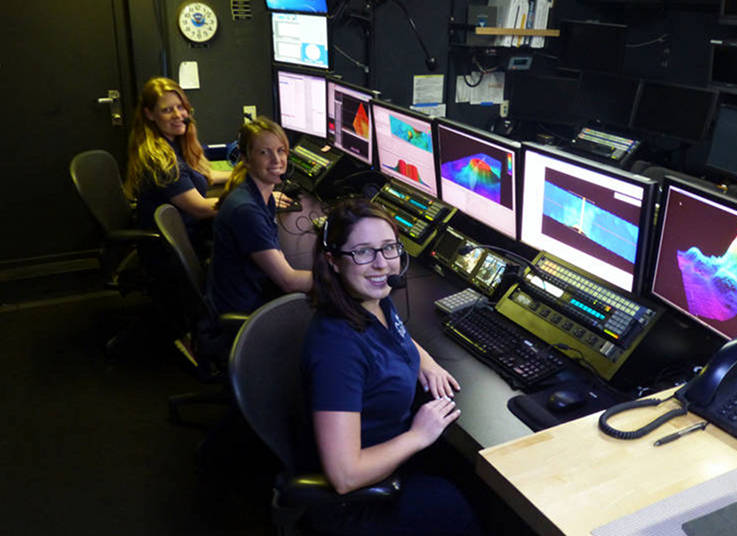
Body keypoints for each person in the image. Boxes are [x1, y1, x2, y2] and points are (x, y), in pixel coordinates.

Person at [301, 198, 484, 536]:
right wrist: (418, 435)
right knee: (465, 502)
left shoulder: (374, 300)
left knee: (475, 478)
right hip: (361, 503)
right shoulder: (336, 348)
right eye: (363, 252)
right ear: (334, 261)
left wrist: (424, 361)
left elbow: (395, 337)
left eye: (388, 249)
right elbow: (344, 476)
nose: (382, 265)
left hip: (396, 458)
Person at [207, 117, 311, 316]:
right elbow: (288, 281)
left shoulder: (261, 195)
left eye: (281, 150)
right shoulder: (246, 210)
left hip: (250, 296)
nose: (276, 160)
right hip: (246, 313)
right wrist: (343, 279)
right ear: (246, 159)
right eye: (264, 152)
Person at [123, 76, 229, 252]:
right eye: (167, 110)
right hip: (176, 248)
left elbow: (204, 174)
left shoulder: (173, 143)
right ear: (150, 114)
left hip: (186, 234)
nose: (178, 115)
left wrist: (248, 173)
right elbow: (200, 208)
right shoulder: (160, 160)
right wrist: (259, 200)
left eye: (180, 107)